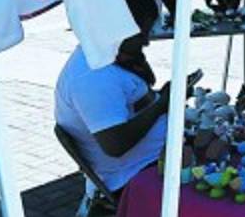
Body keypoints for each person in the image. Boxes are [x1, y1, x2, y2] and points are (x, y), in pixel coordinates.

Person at [55, 33, 198, 193]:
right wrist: (163, 103)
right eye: (141, 31)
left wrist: (163, 96)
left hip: (149, 159)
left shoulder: (105, 57)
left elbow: (133, 99)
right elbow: (116, 145)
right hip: (134, 173)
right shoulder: (94, 77)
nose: (146, 41)